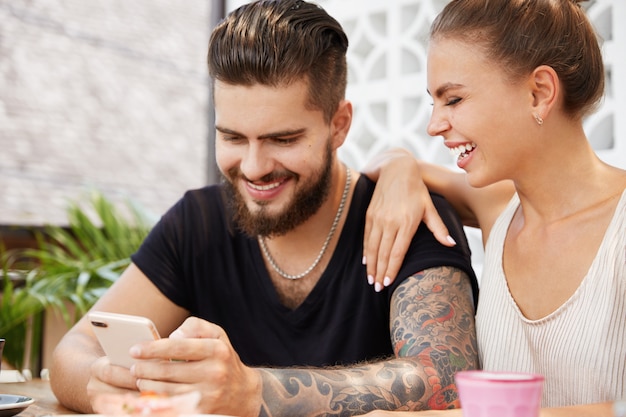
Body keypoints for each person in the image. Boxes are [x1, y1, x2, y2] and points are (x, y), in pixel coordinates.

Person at [49, 1, 479, 416]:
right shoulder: (197, 223)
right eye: (234, 138)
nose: (253, 168)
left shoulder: (410, 217)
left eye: (283, 139)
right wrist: (103, 383)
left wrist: (253, 391)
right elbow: (74, 352)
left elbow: (448, 379)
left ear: (339, 125)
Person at [360, 0, 626, 416]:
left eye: (453, 99)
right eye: (433, 101)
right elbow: (379, 164)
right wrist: (400, 169)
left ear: (538, 93)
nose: (434, 125)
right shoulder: (498, 207)